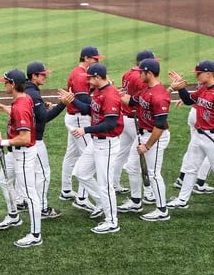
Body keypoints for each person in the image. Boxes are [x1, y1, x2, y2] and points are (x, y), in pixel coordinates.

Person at [168, 61, 214, 217]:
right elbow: (189, 100)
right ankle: (182, 199)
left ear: (209, 74)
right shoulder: (203, 89)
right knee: (190, 168)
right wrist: (181, 89)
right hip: (199, 135)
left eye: (199, 73)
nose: (196, 75)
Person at [0, 70, 43, 247]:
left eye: (5, 82)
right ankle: (13, 216)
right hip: (16, 153)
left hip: (23, 153)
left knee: (29, 194)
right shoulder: (24, 98)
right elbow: (19, 113)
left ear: (12, 84)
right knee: (4, 181)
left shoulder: (20, 105)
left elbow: (25, 138)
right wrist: (4, 108)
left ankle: (35, 235)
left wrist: (1, 142)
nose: (4, 85)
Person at [67, 63, 124, 234]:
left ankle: (112, 221)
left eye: (90, 79)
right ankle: (102, 202)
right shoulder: (98, 91)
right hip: (96, 142)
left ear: (98, 77)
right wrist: (72, 100)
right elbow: (90, 110)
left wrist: (86, 129)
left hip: (106, 143)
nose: (88, 82)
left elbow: (110, 123)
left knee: (105, 184)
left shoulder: (110, 95)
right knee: (81, 172)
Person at [119, 59, 172, 221]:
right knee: (133, 167)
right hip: (143, 134)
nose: (138, 74)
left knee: (154, 174)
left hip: (155, 137)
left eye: (141, 72)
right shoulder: (146, 90)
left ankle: (162, 210)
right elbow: (132, 101)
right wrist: (114, 92)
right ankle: (136, 201)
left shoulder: (159, 95)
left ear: (149, 73)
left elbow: (160, 126)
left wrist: (147, 146)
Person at [60, 47, 103, 216]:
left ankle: (66, 189)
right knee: (88, 157)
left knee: (71, 155)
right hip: (79, 118)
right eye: (94, 59)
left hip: (73, 117)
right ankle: (82, 198)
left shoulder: (81, 72)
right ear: (86, 58)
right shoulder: (80, 75)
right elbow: (85, 106)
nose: (97, 61)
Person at [24, 62, 68, 219]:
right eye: (42, 74)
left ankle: (23, 201)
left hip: (24, 139)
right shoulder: (33, 93)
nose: (45, 76)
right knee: (43, 173)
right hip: (34, 141)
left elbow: (35, 112)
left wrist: (42, 106)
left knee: (27, 173)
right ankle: (42, 208)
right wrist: (63, 104)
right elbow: (44, 118)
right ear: (34, 76)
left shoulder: (27, 90)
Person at [114, 50, 157, 202]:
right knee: (143, 156)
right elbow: (149, 97)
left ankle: (114, 182)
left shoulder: (127, 74)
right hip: (135, 120)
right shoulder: (140, 78)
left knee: (122, 153)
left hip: (124, 118)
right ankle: (149, 191)